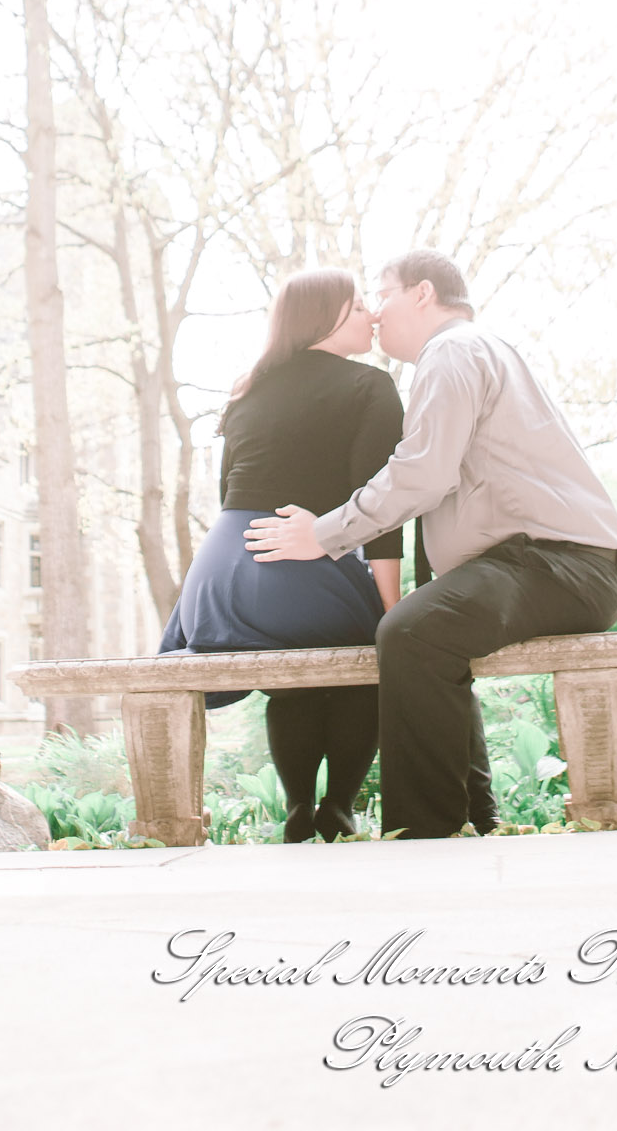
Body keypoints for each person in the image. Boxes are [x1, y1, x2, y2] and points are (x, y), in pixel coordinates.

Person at [244, 249, 617, 840]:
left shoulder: (451, 351)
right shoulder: (471, 350)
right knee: (432, 633)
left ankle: (424, 831)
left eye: (383, 292)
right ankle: (476, 815)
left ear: (422, 293)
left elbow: (422, 475)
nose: (375, 311)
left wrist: (321, 534)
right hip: (553, 562)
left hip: (560, 562)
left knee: (411, 632)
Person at [159, 267, 406, 842]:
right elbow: (381, 511)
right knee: (365, 661)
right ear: (325, 318)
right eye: (358, 306)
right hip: (297, 556)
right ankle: (338, 806)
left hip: (221, 574)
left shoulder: (247, 390)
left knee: (292, 673)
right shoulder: (370, 386)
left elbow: (228, 494)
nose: (371, 315)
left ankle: (299, 807)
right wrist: (390, 612)